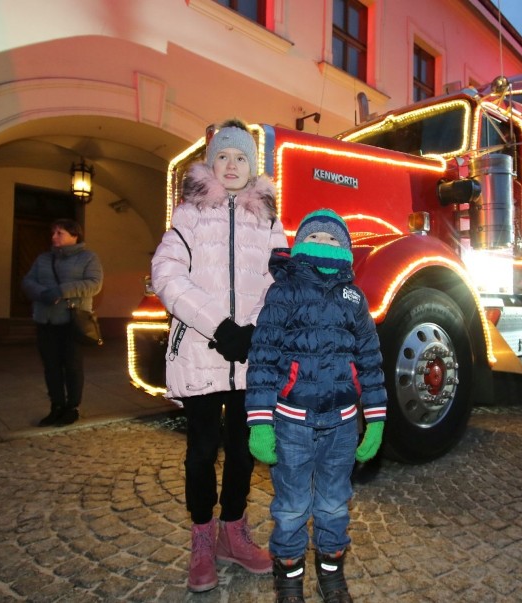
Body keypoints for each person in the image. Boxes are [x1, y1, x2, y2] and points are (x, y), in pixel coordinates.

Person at [151, 118, 288, 592]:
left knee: (244, 451)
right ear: (211, 164)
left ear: (253, 167)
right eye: (223, 157)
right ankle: (203, 540)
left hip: (251, 355)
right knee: (201, 451)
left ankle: (234, 531)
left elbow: (280, 279)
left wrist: (253, 329)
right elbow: (168, 275)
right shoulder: (188, 215)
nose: (231, 165)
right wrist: (221, 326)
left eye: (241, 157)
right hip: (200, 353)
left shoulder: (267, 219)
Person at [245, 209, 387, 603]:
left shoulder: (354, 298)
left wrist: (374, 418)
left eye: (333, 239)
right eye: (316, 238)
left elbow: (371, 359)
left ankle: (332, 575)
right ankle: (289, 581)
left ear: (345, 248)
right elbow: (263, 356)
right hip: (292, 421)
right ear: (301, 244)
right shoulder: (284, 291)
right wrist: (259, 421)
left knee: (333, 503)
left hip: (341, 424)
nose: (324, 244)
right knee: (291, 507)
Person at [22, 219, 103, 427]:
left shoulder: (88, 257)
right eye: (53, 232)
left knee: (72, 366)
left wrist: (61, 291)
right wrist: (42, 293)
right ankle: (56, 406)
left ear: (74, 235)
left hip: (71, 321)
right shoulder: (43, 259)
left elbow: (94, 284)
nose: (54, 237)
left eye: (60, 233)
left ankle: (72, 407)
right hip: (45, 320)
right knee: (51, 367)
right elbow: (27, 282)